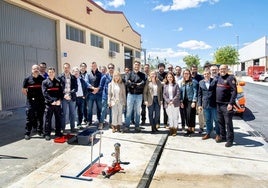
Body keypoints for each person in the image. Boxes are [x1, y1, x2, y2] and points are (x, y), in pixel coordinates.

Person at [216, 64, 237, 147]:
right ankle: (223, 136)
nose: (222, 70)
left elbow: (234, 91)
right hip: (218, 104)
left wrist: (231, 103)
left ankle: (230, 140)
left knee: (228, 123)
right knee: (220, 122)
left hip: (226, 105)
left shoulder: (230, 78)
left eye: (224, 69)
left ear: (227, 69)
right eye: (221, 69)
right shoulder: (218, 78)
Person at [22, 64, 45, 140]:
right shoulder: (27, 79)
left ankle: (40, 131)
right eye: (34, 69)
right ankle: (27, 132)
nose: (36, 70)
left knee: (40, 117)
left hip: (40, 101)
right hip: (30, 101)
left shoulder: (42, 79)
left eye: (37, 69)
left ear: (39, 70)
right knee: (29, 116)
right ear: (32, 70)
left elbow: (44, 90)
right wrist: (30, 97)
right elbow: (24, 90)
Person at [124, 60, 146, 133]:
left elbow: (143, 84)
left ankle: (137, 126)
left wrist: (132, 84)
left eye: (138, 65)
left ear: (140, 66)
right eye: (135, 64)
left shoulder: (142, 75)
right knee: (129, 111)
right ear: (133, 66)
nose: (137, 66)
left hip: (139, 95)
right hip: (130, 95)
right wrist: (136, 84)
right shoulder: (129, 74)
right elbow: (127, 83)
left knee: (137, 112)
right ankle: (127, 126)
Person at [42, 67, 63, 141]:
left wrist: (59, 100)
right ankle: (47, 134)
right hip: (49, 104)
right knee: (48, 119)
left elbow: (61, 92)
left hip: (57, 104)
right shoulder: (44, 82)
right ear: (48, 73)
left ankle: (58, 132)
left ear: (54, 73)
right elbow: (45, 93)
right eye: (49, 72)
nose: (51, 73)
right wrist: (51, 101)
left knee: (58, 119)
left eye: (52, 72)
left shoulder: (58, 81)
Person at [198, 69, 220, 140]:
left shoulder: (214, 81)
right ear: (203, 75)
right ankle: (208, 133)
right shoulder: (201, 82)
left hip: (214, 104)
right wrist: (200, 105)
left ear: (210, 74)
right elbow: (199, 94)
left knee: (216, 120)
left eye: (207, 74)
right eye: (205, 74)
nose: (206, 75)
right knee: (207, 120)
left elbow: (218, 92)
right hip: (205, 104)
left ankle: (218, 134)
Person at [58, 63, 78, 132]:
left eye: (67, 67)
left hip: (71, 98)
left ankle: (72, 127)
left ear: (69, 68)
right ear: (63, 68)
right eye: (65, 68)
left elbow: (76, 88)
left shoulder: (73, 77)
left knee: (72, 113)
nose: (66, 69)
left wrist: (69, 94)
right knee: (63, 113)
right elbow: (59, 88)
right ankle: (63, 128)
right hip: (64, 98)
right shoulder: (60, 77)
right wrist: (64, 95)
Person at [180, 69, 198, 136]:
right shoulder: (182, 82)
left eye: (187, 73)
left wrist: (194, 101)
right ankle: (189, 128)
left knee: (191, 115)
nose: (186, 75)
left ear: (189, 74)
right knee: (186, 115)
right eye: (185, 73)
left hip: (191, 101)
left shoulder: (193, 82)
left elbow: (195, 92)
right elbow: (181, 92)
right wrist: (181, 101)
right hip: (184, 101)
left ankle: (191, 129)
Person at [86, 61, 102, 126]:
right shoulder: (88, 74)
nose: (93, 67)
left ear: (96, 66)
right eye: (92, 66)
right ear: (91, 67)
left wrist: (97, 89)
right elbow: (86, 82)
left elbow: (101, 83)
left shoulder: (100, 74)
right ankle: (89, 121)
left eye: (95, 66)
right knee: (89, 109)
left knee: (99, 108)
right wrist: (93, 88)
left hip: (98, 94)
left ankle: (100, 120)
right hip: (91, 94)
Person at [99, 63, 114, 129]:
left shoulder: (115, 76)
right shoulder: (104, 77)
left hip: (112, 97)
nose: (111, 69)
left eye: (112, 68)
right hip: (105, 96)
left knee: (112, 110)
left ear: (114, 68)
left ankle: (111, 123)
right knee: (103, 110)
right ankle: (101, 123)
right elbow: (101, 86)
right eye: (109, 68)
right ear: (108, 69)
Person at [191, 65, 205, 134]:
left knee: (200, 113)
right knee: (191, 114)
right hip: (191, 98)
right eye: (193, 69)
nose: (194, 70)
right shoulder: (189, 77)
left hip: (199, 98)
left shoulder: (200, 77)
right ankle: (191, 126)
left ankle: (201, 127)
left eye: (195, 69)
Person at [156, 63, 168, 128]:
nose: (161, 68)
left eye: (162, 67)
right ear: (158, 68)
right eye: (160, 67)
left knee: (165, 109)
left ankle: (165, 123)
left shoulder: (166, 74)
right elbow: (157, 83)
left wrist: (160, 83)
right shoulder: (156, 75)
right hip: (158, 94)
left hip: (165, 94)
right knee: (157, 109)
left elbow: (167, 81)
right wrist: (162, 82)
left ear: (164, 68)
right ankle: (157, 123)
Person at [175, 65, 185, 131]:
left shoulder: (183, 78)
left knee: (182, 113)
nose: (178, 71)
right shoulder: (173, 78)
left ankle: (183, 126)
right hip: (174, 98)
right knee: (175, 113)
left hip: (181, 97)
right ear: (175, 70)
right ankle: (176, 126)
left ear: (181, 70)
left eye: (179, 70)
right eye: (177, 70)